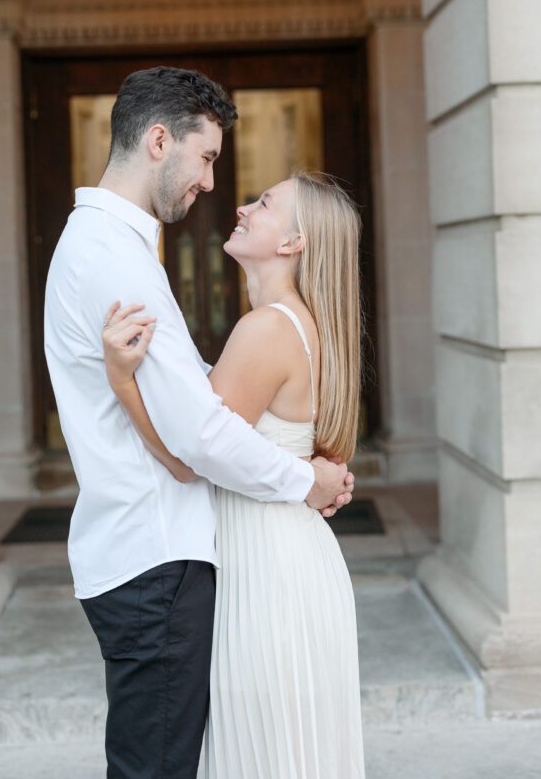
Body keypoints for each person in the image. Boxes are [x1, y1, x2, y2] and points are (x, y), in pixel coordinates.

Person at [44, 66, 354, 779]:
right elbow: (199, 441)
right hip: (154, 556)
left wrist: (304, 469)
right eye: (207, 157)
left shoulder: (112, 248)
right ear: (159, 140)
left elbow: (202, 432)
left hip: (170, 552)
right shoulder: (113, 257)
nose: (217, 188)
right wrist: (302, 477)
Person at [103, 171, 365, 778]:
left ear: (294, 243)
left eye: (266, 203)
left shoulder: (267, 327)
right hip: (290, 560)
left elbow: (189, 459)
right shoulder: (298, 322)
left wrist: (120, 380)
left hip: (269, 572)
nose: (244, 206)